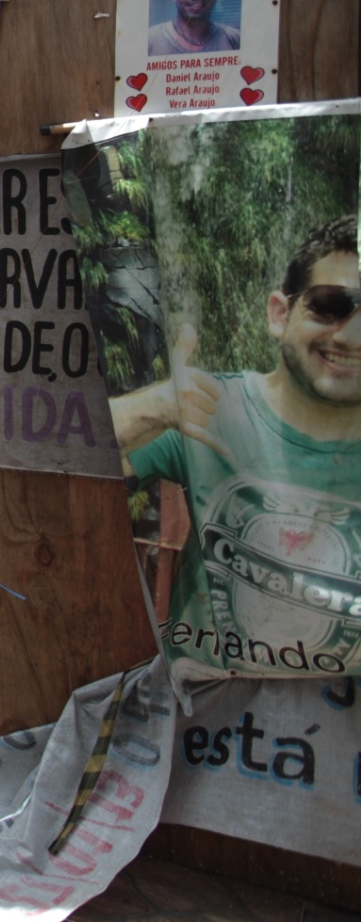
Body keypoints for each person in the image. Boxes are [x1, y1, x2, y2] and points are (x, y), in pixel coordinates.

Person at [106, 215, 360, 670]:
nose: (351, 335)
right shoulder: (214, 409)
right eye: (331, 305)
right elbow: (65, 460)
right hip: (210, 725)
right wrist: (156, 407)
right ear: (280, 314)